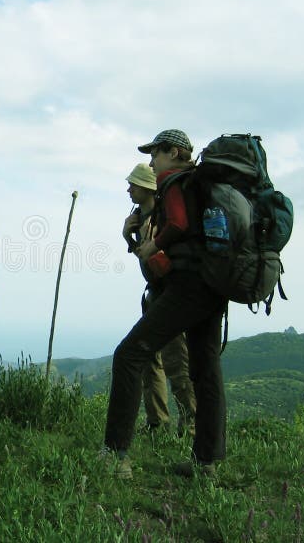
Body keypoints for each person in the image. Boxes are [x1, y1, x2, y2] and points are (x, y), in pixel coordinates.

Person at [102, 130, 228, 479]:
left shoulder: (174, 182)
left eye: (155, 154)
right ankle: (207, 464)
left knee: (129, 355)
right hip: (213, 283)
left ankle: (116, 457)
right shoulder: (199, 184)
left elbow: (179, 224)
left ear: (174, 152)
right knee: (206, 369)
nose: (152, 162)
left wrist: (152, 244)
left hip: (187, 285)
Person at [122, 163, 197, 437]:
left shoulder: (161, 218)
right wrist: (128, 235)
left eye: (133, 184)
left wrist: (136, 238)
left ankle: (189, 426)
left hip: (168, 296)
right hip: (155, 294)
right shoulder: (141, 216)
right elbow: (143, 255)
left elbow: (156, 256)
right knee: (149, 358)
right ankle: (157, 423)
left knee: (176, 362)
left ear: (146, 187)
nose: (129, 189)